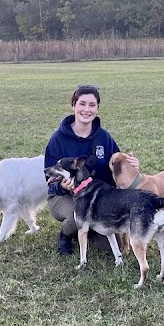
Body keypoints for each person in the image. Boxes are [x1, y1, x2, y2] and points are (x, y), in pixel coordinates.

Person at [44, 83, 137, 256]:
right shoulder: (58, 139)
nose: (87, 109)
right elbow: (49, 181)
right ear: (73, 106)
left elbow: (119, 162)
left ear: (97, 108)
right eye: (82, 104)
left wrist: (131, 165)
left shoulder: (104, 137)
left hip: (98, 197)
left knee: (110, 248)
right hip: (64, 196)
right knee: (75, 216)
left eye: (92, 105)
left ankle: (90, 227)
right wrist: (62, 187)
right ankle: (66, 235)